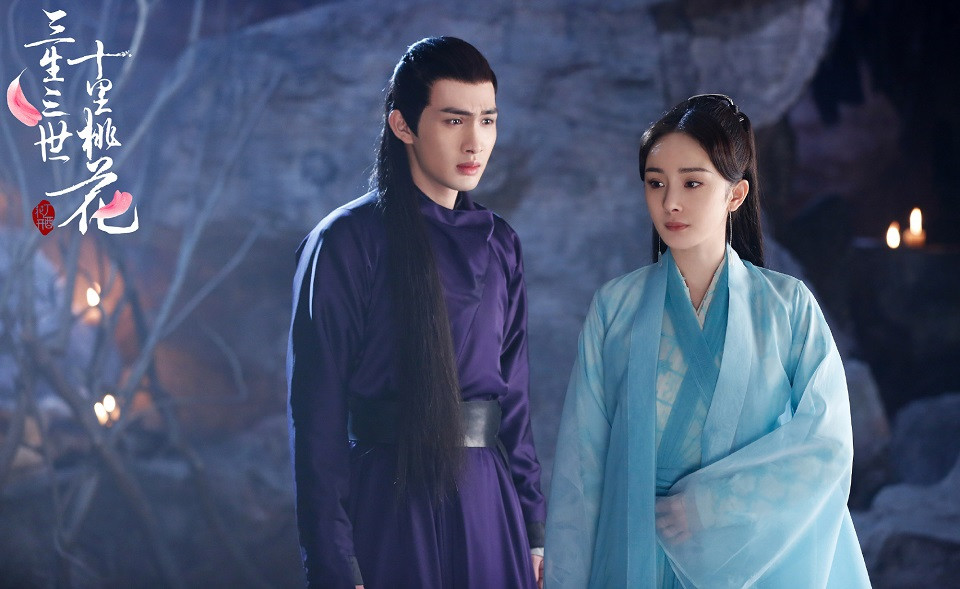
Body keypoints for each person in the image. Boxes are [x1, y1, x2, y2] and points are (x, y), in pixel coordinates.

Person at [543, 94, 871, 588]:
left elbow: (826, 445)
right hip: (633, 551)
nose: (670, 202)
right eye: (656, 183)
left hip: (747, 559)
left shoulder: (787, 308)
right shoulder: (615, 306)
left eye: (692, 183)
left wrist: (713, 505)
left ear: (735, 194)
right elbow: (581, 466)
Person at [287, 37, 545, 589]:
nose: (475, 142)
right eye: (454, 120)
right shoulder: (345, 242)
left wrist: (534, 530)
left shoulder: (501, 243)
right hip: (389, 504)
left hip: (488, 506)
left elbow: (515, 404)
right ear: (403, 125)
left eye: (487, 120)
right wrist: (335, 563)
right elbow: (317, 420)